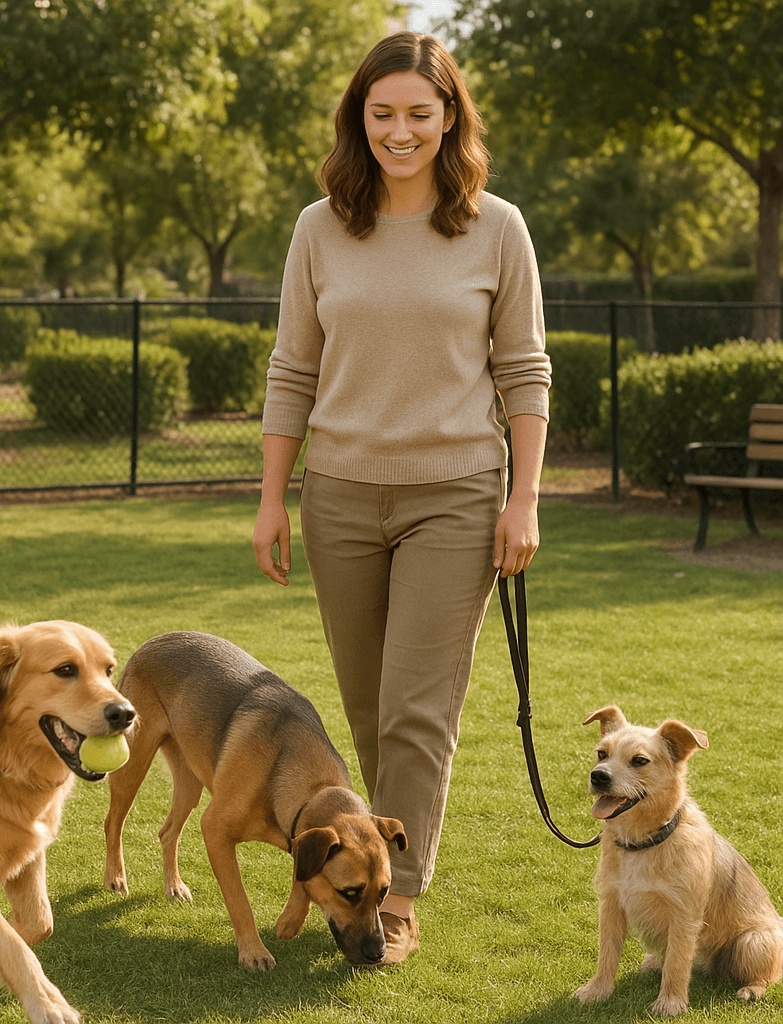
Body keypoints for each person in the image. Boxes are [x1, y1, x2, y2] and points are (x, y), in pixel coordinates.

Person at [251, 31, 551, 966]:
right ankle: (365, 874)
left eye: (420, 112)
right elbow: (293, 368)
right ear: (359, 118)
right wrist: (271, 498)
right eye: (381, 113)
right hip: (338, 497)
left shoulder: (497, 227)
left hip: (455, 498)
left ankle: (398, 900)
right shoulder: (319, 228)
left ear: (450, 116)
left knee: (417, 709)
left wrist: (524, 498)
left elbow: (525, 370)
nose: (400, 131)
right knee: (369, 710)